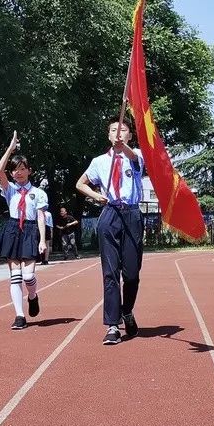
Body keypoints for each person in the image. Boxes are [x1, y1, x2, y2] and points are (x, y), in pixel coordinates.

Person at [76, 116, 145, 346]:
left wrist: (122, 147)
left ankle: (127, 311)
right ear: (108, 135)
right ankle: (113, 325)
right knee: (110, 273)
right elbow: (80, 183)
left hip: (132, 215)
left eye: (123, 130)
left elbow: (135, 159)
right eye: (114, 130)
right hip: (110, 214)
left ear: (129, 135)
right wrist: (97, 196)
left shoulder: (135, 156)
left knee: (132, 274)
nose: (118, 133)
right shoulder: (98, 161)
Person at [0, 131, 48, 331]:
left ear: (29, 171)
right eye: (15, 170)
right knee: (15, 276)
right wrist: (11, 148)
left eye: (22, 169)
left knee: (28, 277)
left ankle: (33, 296)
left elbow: (42, 216)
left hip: (30, 229)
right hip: (12, 228)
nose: (18, 173)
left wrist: (42, 239)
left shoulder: (38, 193)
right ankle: (19, 315)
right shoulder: (9, 189)